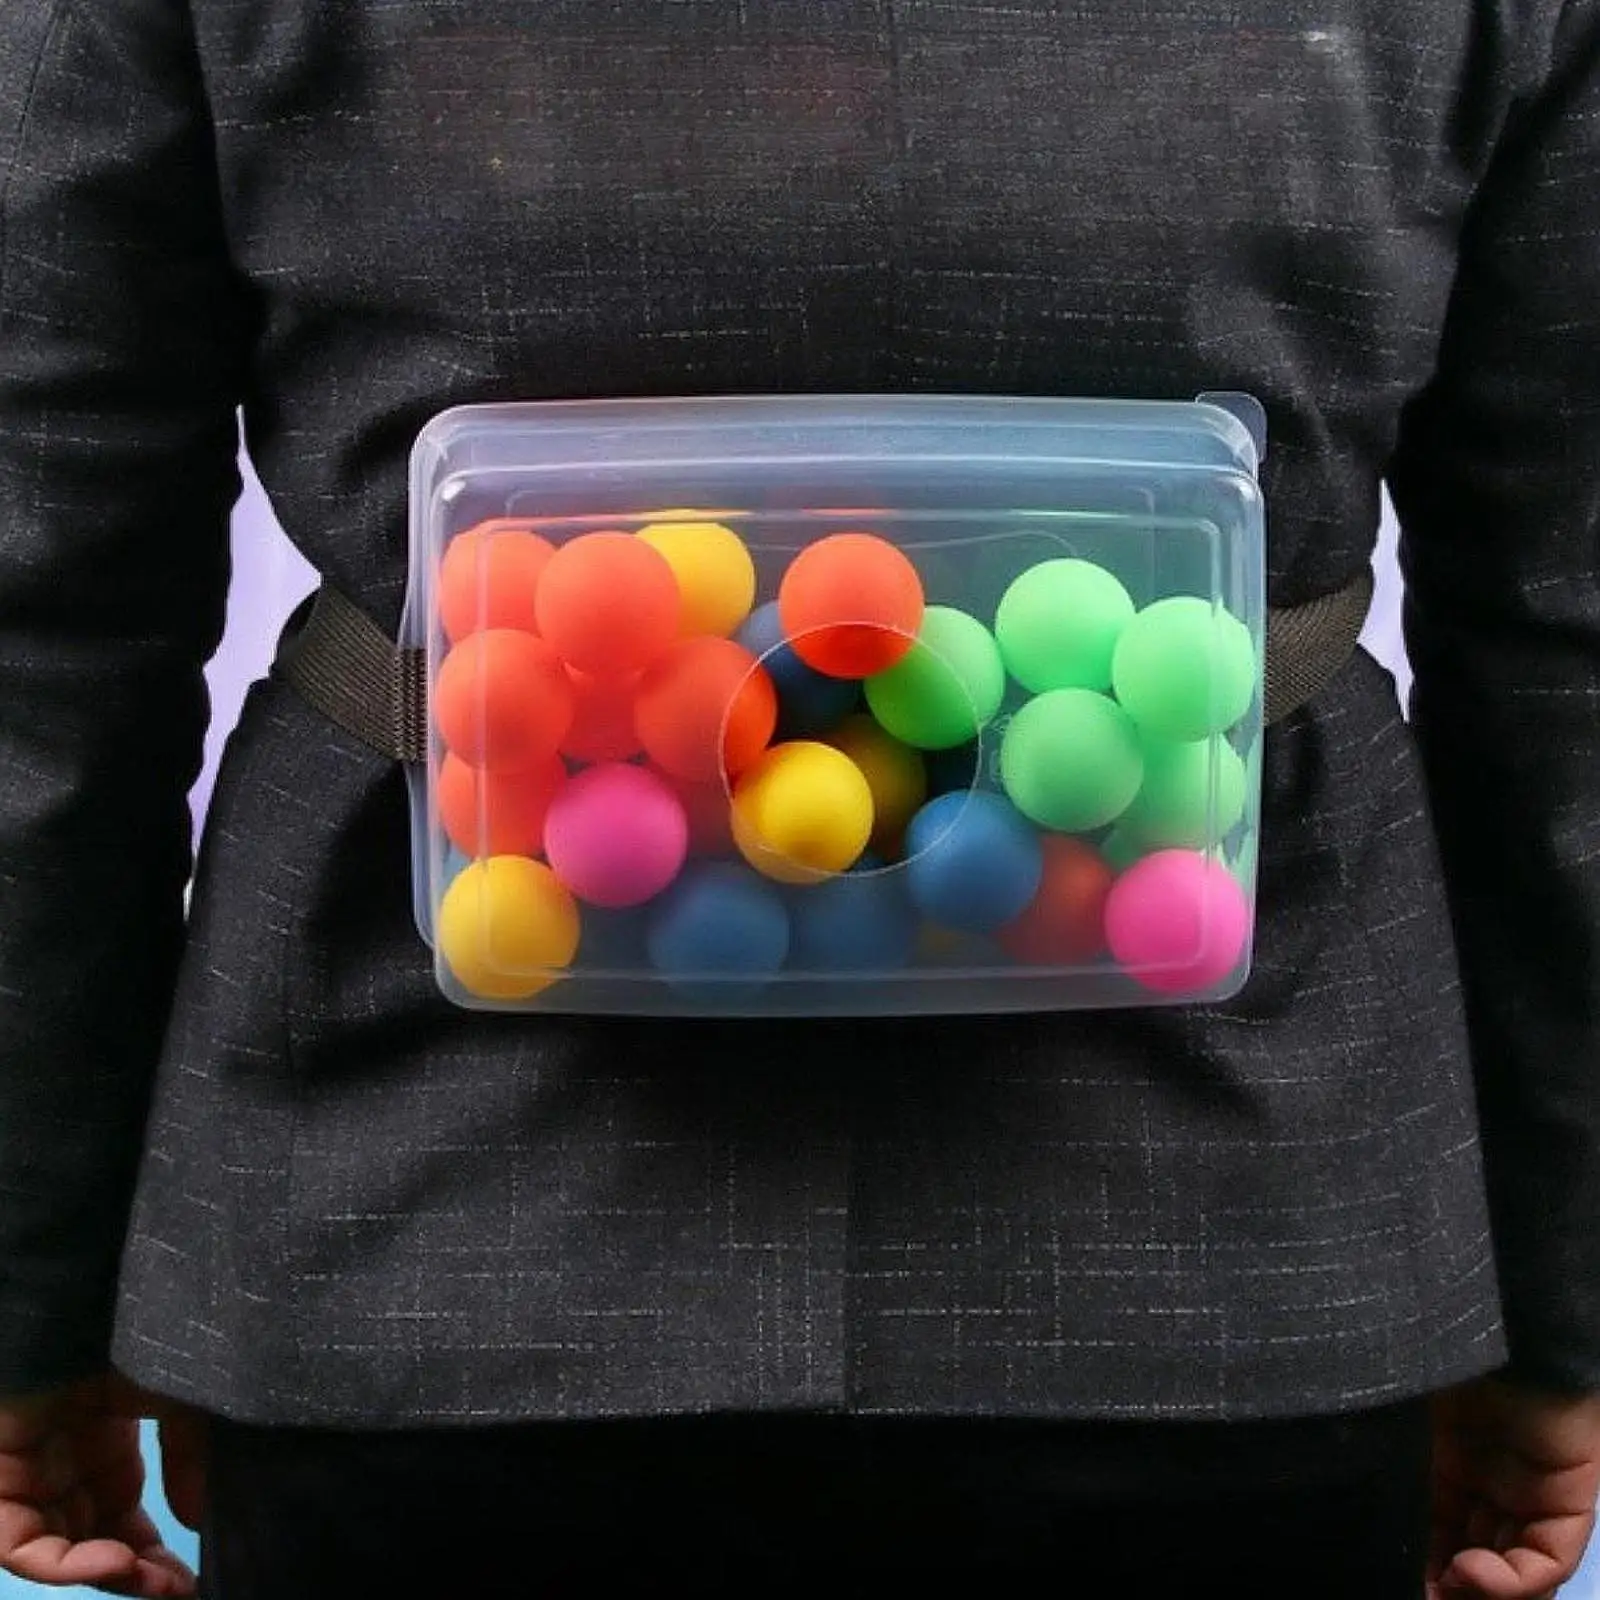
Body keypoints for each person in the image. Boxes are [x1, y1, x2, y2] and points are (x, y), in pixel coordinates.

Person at [2, 1, 1598, 1595]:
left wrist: (36, 1288)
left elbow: (42, 624)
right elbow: (1565, 647)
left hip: (428, 1233)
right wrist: (1551, 1300)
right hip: (1234, 1251)